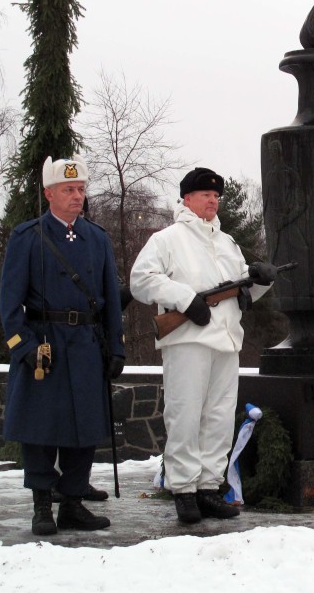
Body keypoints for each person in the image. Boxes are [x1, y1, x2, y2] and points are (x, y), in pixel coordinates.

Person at [130, 168, 276, 524]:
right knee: (185, 415)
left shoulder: (226, 243)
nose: (213, 201)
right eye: (206, 195)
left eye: (216, 197)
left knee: (220, 418)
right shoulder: (167, 239)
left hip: (226, 340)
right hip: (188, 340)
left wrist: (261, 282)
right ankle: (183, 490)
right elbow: (141, 280)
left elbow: (242, 292)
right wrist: (183, 299)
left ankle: (209, 487)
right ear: (187, 199)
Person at [0, 157, 126, 536]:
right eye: (69, 190)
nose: (77, 196)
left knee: (83, 428)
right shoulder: (27, 237)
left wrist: (115, 347)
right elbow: (9, 305)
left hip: (86, 345)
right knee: (41, 429)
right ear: (49, 193)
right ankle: (42, 506)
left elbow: (110, 300)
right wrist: (25, 347)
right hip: (45, 345)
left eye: (81, 189)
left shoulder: (97, 238)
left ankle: (73, 503)